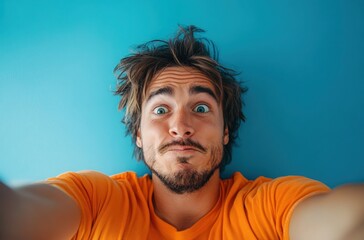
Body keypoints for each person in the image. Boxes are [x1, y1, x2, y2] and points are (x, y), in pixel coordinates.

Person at [1, 25, 363, 240]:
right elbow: (17, 216)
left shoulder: (269, 206)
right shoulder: (95, 201)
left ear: (225, 131)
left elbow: (344, 223)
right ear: (139, 134)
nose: (181, 125)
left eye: (201, 108)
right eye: (160, 110)